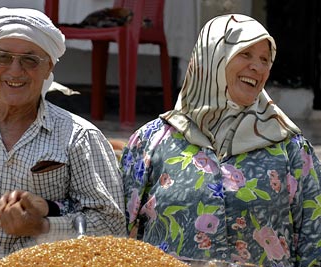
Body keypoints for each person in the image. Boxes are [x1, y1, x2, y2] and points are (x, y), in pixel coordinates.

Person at [0, 7, 126, 261]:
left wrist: (42, 226)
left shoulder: (80, 137)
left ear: (48, 66)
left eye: (30, 60)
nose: (15, 71)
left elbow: (112, 228)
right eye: (3, 57)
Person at [121, 14, 321, 266]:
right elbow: (116, 234)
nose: (258, 67)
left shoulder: (290, 149)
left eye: (264, 59)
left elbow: (315, 241)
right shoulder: (151, 142)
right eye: (245, 54)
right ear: (211, 57)